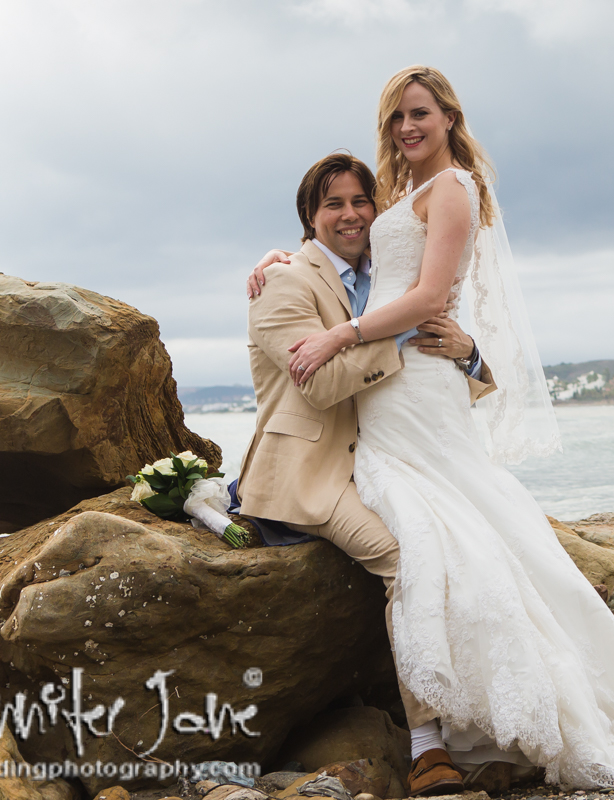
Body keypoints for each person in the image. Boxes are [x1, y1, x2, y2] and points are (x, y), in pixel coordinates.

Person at [251, 66, 614, 791]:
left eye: (419, 113)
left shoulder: (453, 188)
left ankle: (479, 722)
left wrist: (343, 336)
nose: (407, 128)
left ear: (450, 116)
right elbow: (359, 253)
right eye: (396, 118)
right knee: (452, 530)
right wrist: (281, 255)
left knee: (452, 532)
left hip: (412, 384)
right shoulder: (406, 195)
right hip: (394, 388)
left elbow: (425, 294)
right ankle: (452, 724)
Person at [237, 152, 496, 795]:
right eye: (334, 205)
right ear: (309, 218)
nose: (351, 215)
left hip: (386, 454)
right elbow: (320, 383)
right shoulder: (283, 283)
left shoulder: (386, 282)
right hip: (312, 471)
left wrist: (468, 354)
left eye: (361, 202)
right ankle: (427, 745)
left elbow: (438, 347)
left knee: (469, 543)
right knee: (407, 558)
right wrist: (398, 332)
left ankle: (484, 720)